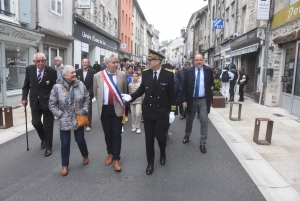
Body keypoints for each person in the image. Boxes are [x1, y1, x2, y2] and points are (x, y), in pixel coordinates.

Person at [122, 49, 176, 175]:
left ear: (158, 61)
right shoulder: (145, 74)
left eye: (150, 60)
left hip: (162, 111)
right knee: (149, 138)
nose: (148, 62)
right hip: (149, 111)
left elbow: (172, 95)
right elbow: (141, 90)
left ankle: (162, 152)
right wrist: (131, 97)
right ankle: (150, 163)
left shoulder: (168, 75)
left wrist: (172, 111)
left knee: (161, 137)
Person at [49, 65, 90, 176]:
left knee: (80, 139)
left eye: (75, 72)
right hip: (64, 119)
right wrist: (60, 114)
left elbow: (87, 98)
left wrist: (84, 109)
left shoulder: (80, 84)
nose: (75, 74)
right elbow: (52, 104)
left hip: (78, 117)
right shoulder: (57, 87)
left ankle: (85, 155)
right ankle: (64, 165)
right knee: (65, 143)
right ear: (64, 75)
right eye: (72, 73)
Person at [93, 52, 127, 171]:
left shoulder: (122, 75)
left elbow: (125, 93)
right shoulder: (98, 76)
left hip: (117, 109)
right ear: (106, 64)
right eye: (114, 62)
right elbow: (95, 93)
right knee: (107, 133)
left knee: (116, 134)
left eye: (117, 62)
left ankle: (117, 158)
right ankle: (110, 154)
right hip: (105, 110)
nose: (116, 64)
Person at [21, 53, 57, 157]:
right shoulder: (29, 69)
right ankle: (44, 139)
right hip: (35, 101)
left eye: (43, 61)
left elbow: (55, 87)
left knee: (48, 126)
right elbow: (26, 86)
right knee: (35, 122)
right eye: (38, 61)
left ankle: (48, 147)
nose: (41, 63)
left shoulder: (51, 71)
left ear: (45, 61)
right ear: (34, 62)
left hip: (48, 102)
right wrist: (24, 98)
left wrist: (55, 100)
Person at [182, 54, 214, 154]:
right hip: (192, 100)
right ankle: (187, 134)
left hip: (204, 99)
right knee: (189, 119)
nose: (199, 62)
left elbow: (211, 83)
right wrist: (184, 100)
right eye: (197, 60)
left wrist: (211, 89)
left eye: (200, 60)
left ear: (203, 60)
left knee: (204, 120)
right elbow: (184, 87)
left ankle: (203, 142)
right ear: (194, 61)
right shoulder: (189, 71)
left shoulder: (208, 70)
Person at [162, 63, 181, 140]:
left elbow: (179, 91)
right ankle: (162, 131)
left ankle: (165, 131)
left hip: (172, 103)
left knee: (170, 120)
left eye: (170, 69)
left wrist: (177, 101)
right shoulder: (160, 80)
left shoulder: (176, 80)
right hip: (162, 104)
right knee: (162, 119)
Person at [76, 59, 96, 132]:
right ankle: (80, 122)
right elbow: (76, 82)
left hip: (88, 93)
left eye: (86, 62)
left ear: (88, 64)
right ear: (81, 63)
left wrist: (89, 92)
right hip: (79, 94)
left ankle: (88, 124)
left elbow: (94, 83)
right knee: (79, 108)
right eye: (83, 62)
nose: (84, 64)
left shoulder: (92, 72)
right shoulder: (77, 72)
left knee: (88, 110)